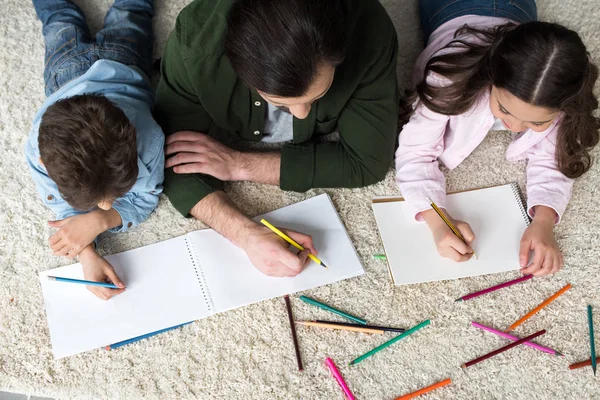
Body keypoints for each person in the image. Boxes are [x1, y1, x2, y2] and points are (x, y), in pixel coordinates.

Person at [155, 0, 399, 277]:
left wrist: (240, 164)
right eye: (281, 103)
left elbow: (367, 164)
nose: (301, 113)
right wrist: (245, 234)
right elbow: (171, 159)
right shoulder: (195, 45)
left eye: (319, 95)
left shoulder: (371, 32)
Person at [396, 0, 599, 276]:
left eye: (536, 122)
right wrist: (438, 221)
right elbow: (414, 153)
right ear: (490, 78)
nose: (514, 125)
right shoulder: (446, 80)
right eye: (504, 108)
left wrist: (543, 221)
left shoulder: (558, 100)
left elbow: (554, 161)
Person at [26, 0, 164, 300]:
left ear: (132, 135)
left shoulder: (150, 139)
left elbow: (149, 193)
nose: (105, 205)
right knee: (60, 18)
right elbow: (65, 205)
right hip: (67, 74)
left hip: (120, 61)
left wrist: (103, 220)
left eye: (113, 196)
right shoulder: (38, 152)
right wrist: (86, 253)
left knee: (130, 10)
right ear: (43, 164)